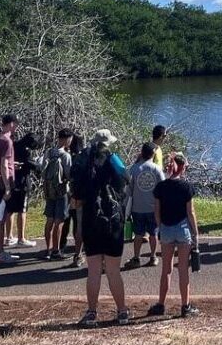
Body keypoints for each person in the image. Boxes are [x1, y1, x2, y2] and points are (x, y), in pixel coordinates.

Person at [73, 129, 130, 326]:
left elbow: (77, 194)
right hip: (112, 220)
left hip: (91, 219)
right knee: (113, 270)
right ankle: (122, 311)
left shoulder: (83, 161)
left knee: (94, 270)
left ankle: (91, 312)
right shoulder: (113, 160)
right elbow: (125, 181)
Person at [148, 153, 200, 318]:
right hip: (183, 229)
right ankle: (185, 306)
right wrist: (195, 233)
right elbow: (190, 212)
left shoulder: (161, 187)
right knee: (183, 269)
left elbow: (156, 210)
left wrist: (160, 226)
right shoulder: (187, 187)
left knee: (166, 270)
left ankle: (161, 304)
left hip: (166, 230)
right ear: (183, 168)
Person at [124, 142, 165, 268]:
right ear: (153, 154)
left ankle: (136, 258)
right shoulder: (157, 169)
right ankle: (153, 257)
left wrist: (127, 208)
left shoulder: (135, 169)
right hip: (153, 208)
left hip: (137, 208)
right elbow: (163, 187)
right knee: (153, 234)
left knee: (138, 234)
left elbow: (129, 190)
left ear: (141, 153)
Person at [0, 114, 19, 265]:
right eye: (16, 124)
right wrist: (7, 187)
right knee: (0, 219)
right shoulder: (7, 141)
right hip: (2, 185)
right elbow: (4, 165)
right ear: (11, 124)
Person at [4, 131, 43, 249]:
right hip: (22, 184)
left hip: (11, 182)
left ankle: (9, 237)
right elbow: (35, 166)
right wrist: (39, 163)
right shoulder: (26, 152)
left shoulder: (13, 145)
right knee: (22, 210)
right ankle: (21, 238)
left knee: (10, 210)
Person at [43, 128, 74, 260]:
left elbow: (42, 168)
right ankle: (56, 250)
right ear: (67, 139)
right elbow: (69, 174)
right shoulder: (66, 156)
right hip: (61, 191)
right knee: (59, 221)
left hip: (49, 190)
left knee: (49, 219)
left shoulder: (49, 152)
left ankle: (48, 249)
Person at [60, 133, 86, 267]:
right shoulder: (83, 157)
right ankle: (80, 250)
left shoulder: (71, 156)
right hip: (80, 195)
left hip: (71, 193)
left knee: (67, 220)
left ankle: (62, 245)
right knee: (78, 223)